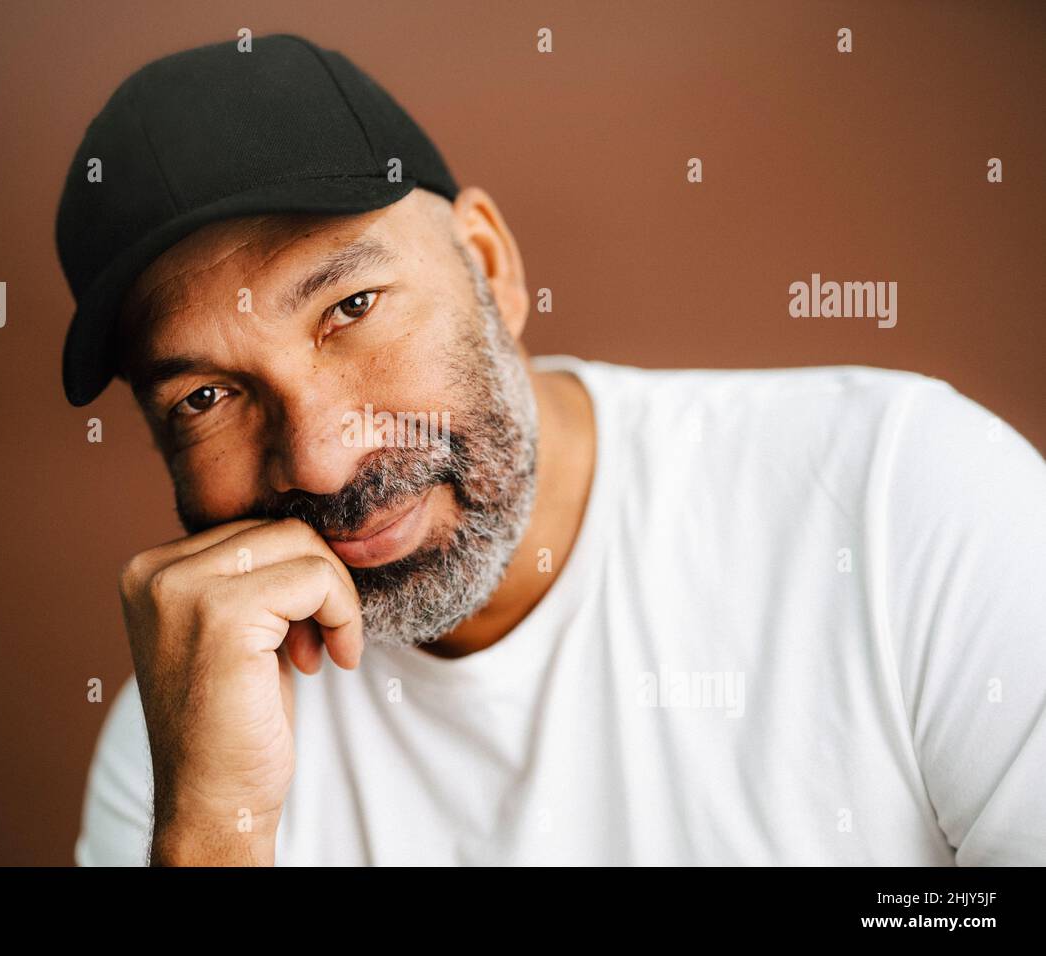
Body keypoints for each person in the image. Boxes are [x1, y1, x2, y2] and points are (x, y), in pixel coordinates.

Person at [55, 34, 1046, 865]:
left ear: (490, 266)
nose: (318, 458)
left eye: (351, 308)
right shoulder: (192, 740)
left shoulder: (901, 502)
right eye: (206, 397)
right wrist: (214, 836)